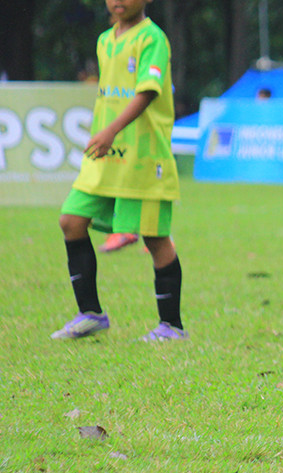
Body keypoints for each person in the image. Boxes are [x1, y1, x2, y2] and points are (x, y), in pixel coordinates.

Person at [52, 0, 186, 341]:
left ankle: (171, 326)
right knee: (71, 220)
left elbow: (148, 91)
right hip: (106, 156)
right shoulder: (104, 40)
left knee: (155, 238)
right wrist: (105, 132)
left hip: (143, 156)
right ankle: (91, 313)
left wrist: (111, 129)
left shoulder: (152, 38)